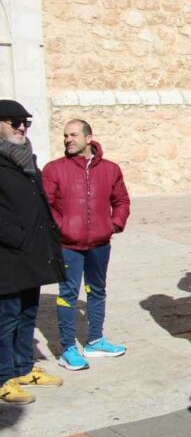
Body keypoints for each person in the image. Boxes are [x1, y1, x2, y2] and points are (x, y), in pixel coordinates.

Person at [42, 120, 131, 371]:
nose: (68, 139)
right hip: (68, 246)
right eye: (65, 135)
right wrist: (63, 228)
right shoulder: (54, 169)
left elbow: (122, 200)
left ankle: (95, 340)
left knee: (97, 290)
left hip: (100, 244)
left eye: (73, 135)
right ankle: (67, 348)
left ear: (88, 138)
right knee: (68, 294)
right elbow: (46, 206)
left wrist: (113, 225)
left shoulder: (111, 169)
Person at [0, 100, 65, 404]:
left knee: (27, 314)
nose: (22, 127)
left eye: (25, 122)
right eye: (14, 122)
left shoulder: (25, 158)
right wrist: (17, 237)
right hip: (8, 256)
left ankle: (24, 367)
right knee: (6, 318)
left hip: (31, 253)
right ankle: (3, 378)